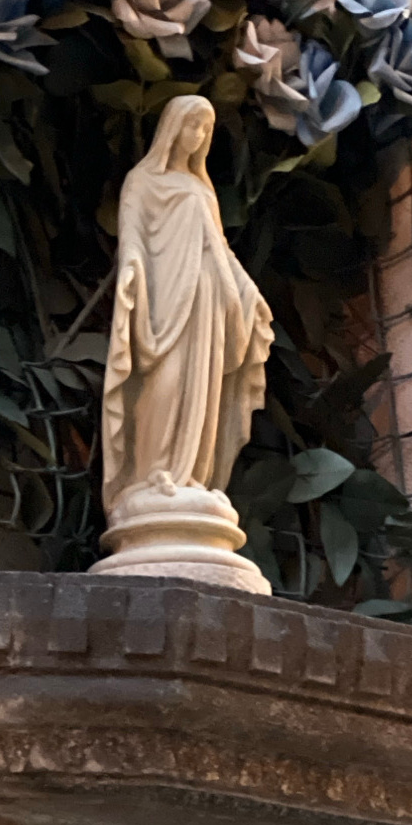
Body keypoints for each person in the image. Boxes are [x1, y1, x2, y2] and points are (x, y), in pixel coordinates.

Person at [101, 94, 274, 513]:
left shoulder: (201, 188)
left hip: (208, 299)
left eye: (205, 129)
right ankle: (150, 472)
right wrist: (131, 269)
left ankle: (191, 474)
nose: (197, 136)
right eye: (192, 125)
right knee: (166, 382)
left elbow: (221, 248)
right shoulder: (143, 181)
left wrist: (247, 291)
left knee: (203, 386)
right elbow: (133, 236)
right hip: (164, 300)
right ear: (172, 128)